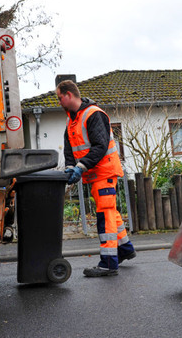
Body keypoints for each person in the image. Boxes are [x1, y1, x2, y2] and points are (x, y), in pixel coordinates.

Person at [56, 80, 136, 277]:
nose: (59, 102)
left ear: (68, 95)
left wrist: (80, 167)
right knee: (111, 211)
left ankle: (109, 262)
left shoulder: (93, 114)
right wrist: (69, 167)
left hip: (105, 172)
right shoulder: (72, 120)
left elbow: (100, 146)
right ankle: (125, 249)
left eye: (60, 98)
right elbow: (69, 149)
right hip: (96, 174)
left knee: (105, 214)